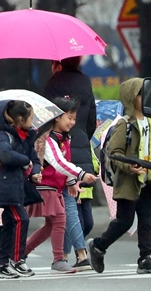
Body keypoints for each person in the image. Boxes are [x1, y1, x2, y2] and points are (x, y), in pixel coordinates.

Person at [87, 77, 151, 274]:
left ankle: (146, 257)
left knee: (146, 219)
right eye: (142, 93)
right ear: (132, 97)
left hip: (149, 180)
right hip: (128, 181)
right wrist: (129, 168)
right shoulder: (124, 124)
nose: (146, 97)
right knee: (124, 221)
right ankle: (98, 246)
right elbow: (114, 155)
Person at [26, 97, 98, 274]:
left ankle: (20, 254)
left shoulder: (64, 137)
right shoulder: (48, 139)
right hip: (46, 185)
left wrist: (72, 181)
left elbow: (65, 162)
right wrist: (81, 175)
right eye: (70, 117)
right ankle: (58, 259)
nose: (72, 122)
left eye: (74, 118)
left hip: (55, 187)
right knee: (59, 220)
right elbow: (59, 163)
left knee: (50, 226)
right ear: (57, 116)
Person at [44, 56, 97, 269]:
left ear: (57, 64)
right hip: (82, 147)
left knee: (68, 206)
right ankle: (72, 253)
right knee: (79, 207)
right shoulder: (86, 83)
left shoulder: (52, 84)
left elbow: (44, 118)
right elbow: (92, 119)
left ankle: (70, 254)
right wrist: (81, 134)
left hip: (60, 152)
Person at [0, 99, 41, 279]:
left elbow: (35, 159)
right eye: (31, 117)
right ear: (20, 119)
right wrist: (25, 162)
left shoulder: (26, 137)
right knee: (20, 219)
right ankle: (16, 260)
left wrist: (34, 173)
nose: (33, 120)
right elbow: (4, 154)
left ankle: (0, 263)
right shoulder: (3, 136)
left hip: (17, 186)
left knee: (8, 225)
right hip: (3, 186)